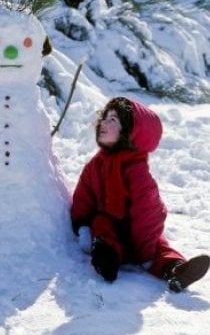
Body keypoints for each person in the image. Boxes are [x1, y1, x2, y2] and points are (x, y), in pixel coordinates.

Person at [71, 97, 208, 292]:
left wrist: (146, 253)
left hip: (140, 232)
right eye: (105, 117)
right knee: (102, 224)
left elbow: (148, 213)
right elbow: (83, 197)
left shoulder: (136, 170)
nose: (104, 123)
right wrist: (82, 226)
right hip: (109, 226)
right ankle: (107, 260)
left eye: (114, 121)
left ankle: (177, 270)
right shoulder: (95, 165)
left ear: (130, 134)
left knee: (159, 246)